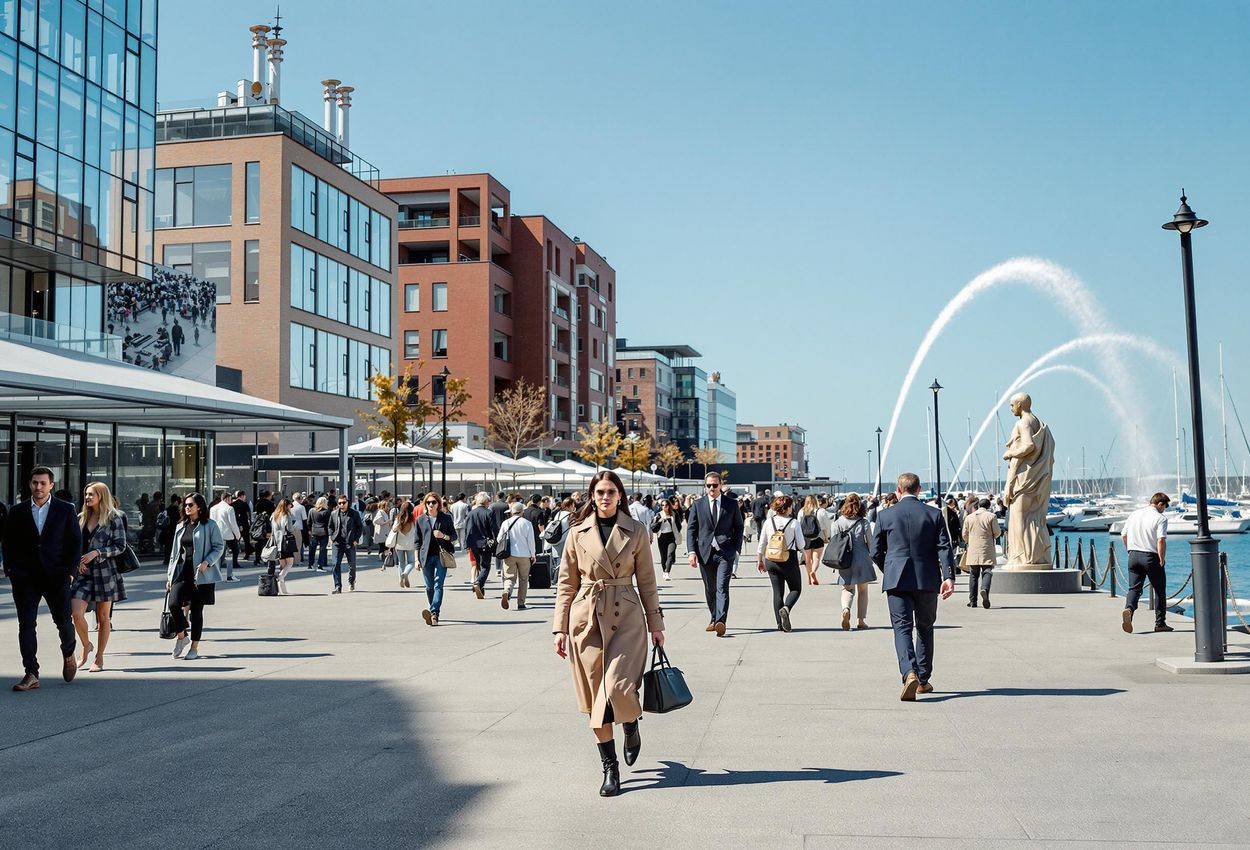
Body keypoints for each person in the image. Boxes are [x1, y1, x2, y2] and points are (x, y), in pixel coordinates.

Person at [552, 470, 665, 798]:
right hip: (586, 620)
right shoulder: (576, 533)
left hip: (627, 616)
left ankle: (630, 723)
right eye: (600, 492)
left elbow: (647, 581)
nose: (605, 497)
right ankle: (610, 767)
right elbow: (566, 583)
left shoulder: (636, 531)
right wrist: (559, 627)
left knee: (617, 687)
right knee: (594, 701)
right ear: (592, 495)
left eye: (611, 492)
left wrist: (656, 625)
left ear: (620, 496)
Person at [871, 473, 955, 701]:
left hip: (896, 579)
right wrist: (948, 576)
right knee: (925, 627)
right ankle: (923, 679)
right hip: (927, 578)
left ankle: (909, 672)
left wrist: (888, 568)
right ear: (919, 489)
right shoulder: (934, 514)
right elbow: (944, 548)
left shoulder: (885, 515)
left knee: (901, 627)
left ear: (899, 489)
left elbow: (875, 552)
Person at [3, 466, 82, 691]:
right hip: (25, 578)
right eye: (35, 483)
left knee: (64, 622)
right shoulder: (17, 511)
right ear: (30, 484)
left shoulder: (65, 509)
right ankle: (31, 673)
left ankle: (69, 652)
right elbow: (8, 543)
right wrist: (12, 570)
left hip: (56, 576)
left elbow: (75, 542)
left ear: (51, 485)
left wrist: (70, 571)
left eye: (43, 483)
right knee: (26, 625)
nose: (38, 487)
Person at [70, 482, 127, 672]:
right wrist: (77, 562)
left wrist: (98, 553)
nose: (87, 497)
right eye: (86, 494)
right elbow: (73, 545)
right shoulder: (80, 518)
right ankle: (86, 645)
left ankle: (99, 658)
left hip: (105, 573)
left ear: (101, 496)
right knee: (76, 613)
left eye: (91, 494)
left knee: (103, 618)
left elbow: (120, 546)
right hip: (83, 574)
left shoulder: (114, 518)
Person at [165, 493, 225, 661]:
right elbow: (174, 554)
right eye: (185, 504)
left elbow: (219, 547)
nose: (187, 507)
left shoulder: (209, 525)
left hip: (201, 573)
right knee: (173, 604)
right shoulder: (181, 525)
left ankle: (194, 647)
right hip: (182, 571)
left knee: (196, 612)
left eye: (190, 504)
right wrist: (170, 576)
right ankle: (181, 636)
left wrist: (208, 562)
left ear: (199, 506)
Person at [686, 472, 744, 637]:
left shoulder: (731, 504)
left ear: (720, 485)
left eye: (715, 485)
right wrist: (691, 552)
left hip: (725, 552)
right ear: (705, 486)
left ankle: (721, 621)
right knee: (710, 589)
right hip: (705, 553)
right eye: (709, 485)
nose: (712, 488)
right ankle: (713, 618)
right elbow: (691, 529)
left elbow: (739, 526)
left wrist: (737, 547)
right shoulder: (698, 504)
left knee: (722, 588)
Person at [1120, 492, 1173, 633]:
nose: (1164, 509)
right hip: (1150, 557)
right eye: (1165, 506)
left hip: (1133, 555)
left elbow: (1123, 535)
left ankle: (1129, 610)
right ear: (1160, 504)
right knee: (1160, 590)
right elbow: (1160, 539)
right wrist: (1162, 558)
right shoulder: (1160, 518)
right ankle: (1160, 623)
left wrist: (1130, 551)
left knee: (1134, 589)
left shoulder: (1134, 514)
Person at [755, 494, 804, 631]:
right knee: (795, 588)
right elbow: (801, 544)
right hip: (789, 559)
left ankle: (779, 624)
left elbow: (762, 542)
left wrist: (760, 560)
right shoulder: (794, 523)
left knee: (777, 592)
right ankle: (786, 608)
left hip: (771, 559)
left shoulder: (768, 522)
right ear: (788, 508)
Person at [832, 492, 876, 631]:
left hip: (844, 559)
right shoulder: (864, 522)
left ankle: (846, 608)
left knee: (847, 589)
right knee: (863, 591)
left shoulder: (837, 522)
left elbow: (834, 542)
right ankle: (861, 621)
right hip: (862, 558)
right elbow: (870, 542)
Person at [415, 492, 457, 625]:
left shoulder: (445, 518)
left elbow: (454, 536)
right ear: (425, 504)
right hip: (425, 556)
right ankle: (433, 610)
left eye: (434, 502)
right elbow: (417, 541)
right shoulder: (421, 519)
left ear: (438, 504)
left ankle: (434, 612)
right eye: (428, 502)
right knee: (429, 587)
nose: (431, 505)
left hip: (441, 555)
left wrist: (443, 536)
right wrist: (416, 560)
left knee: (439, 585)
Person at [962, 498, 1001, 609]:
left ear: (978, 505)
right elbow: (997, 532)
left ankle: (973, 600)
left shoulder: (969, 517)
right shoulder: (991, 516)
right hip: (986, 547)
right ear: (988, 506)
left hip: (973, 548)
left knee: (973, 574)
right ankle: (984, 589)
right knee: (987, 570)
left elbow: (964, 534)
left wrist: (969, 541)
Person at [499, 501, 536, 612]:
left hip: (509, 554)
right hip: (524, 555)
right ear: (522, 511)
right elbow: (531, 541)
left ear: (512, 511)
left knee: (509, 577)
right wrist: (533, 554)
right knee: (523, 579)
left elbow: (499, 539)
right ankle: (521, 603)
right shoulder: (527, 523)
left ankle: (507, 591)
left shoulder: (506, 523)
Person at [328, 495, 364, 593]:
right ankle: (337, 586)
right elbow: (330, 526)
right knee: (335, 564)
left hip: (350, 542)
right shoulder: (334, 514)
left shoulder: (354, 514)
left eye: (343, 502)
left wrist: (356, 539)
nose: (342, 505)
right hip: (337, 543)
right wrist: (331, 536)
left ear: (347, 502)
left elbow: (360, 527)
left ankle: (351, 582)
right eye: (339, 503)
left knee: (352, 565)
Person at [465, 493, 498, 599]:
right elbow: (494, 529)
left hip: (473, 543)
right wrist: (495, 541)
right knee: (486, 566)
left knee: (479, 565)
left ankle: (481, 588)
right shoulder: (489, 513)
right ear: (486, 502)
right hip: (486, 542)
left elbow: (467, 529)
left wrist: (467, 544)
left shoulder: (471, 514)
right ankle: (478, 582)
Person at [209, 491, 242, 582]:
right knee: (230, 555)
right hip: (228, 535)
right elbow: (233, 524)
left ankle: (216, 574)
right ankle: (229, 575)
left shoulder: (213, 508)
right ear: (227, 498)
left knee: (217, 556)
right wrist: (238, 535)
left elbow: (211, 522)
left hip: (215, 535)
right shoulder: (229, 508)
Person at [270, 498, 299, 595]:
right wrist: (293, 527)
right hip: (285, 542)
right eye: (290, 505)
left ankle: (283, 590)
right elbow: (289, 529)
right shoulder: (286, 515)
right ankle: (280, 577)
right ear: (287, 506)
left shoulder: (274, 515)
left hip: (277, 542)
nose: (291, 507)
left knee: (283, 565)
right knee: (290, 563)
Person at [797, 496, 825, 586]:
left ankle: (809, 578)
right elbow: (824, 526)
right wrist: (826, 536)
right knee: (816, 559)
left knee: (808, 560)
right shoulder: (820, 511)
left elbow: (798, 524)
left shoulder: (802, 511)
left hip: (805, 538)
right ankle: (813, 571)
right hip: (818, 537)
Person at [652, 497, 682, 581]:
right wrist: (660, 520)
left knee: (670, 554)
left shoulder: (674, 514)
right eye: (662, 505)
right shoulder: (659, 515)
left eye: (666, 505)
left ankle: (667, 572)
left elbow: (679, 525)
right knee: (663, 556)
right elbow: (653, 526)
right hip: (662, 537)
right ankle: (664, 570)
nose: (664, 507)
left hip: (671, 536)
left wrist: (677, 531)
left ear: (669, 506)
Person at [390, 500, 417, 588]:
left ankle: (400, 578)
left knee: (401, 562)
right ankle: (405, 573)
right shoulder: (413, 519)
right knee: (411, 562)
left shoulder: (398, 518)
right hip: (410, 543)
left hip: (399, 544)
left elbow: (394, 529)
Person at [306, 496, 331, 571]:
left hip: (314, 531)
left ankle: (310, 564)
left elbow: (308, 521)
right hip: (323, 532)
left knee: (312, 549)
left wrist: (309, 530)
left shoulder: (312, 510)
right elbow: (328, 523)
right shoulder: (326, 512)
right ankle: (320, 565)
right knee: (322, 549)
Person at [372, 498, 395, 569]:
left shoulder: (383, 512)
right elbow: (376, 520)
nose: (389, 508)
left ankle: (384, 559)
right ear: (383, 506)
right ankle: (384, 559)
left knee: (385, 546)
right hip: (382, 533)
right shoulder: (381, 512)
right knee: (384, 546)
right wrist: (385, 522)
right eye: (387, 506)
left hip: (384, 532)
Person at [232, 490, 253, 562]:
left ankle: (236, 556)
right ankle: (247, 554)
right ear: (242, 496)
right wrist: (249, 521)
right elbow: (248, 514)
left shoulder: (233, 504)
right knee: (246, 540)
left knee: (235, 540)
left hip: (236, 524)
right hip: (244, 524)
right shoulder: (245, 504)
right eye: (244, 496)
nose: (245, 497)